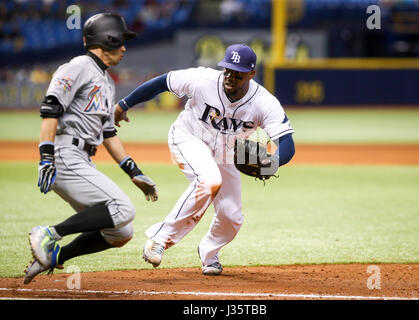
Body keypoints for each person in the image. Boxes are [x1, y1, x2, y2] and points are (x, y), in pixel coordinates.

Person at [114, 44, 295, 275]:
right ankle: (159, 239)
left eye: (237, 73)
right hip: (188, 137)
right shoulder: (203, 79)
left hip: (226, 152)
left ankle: (209, 253)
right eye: (227, 70)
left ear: (251, 74)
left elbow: (287, 144)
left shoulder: (264, 102)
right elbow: (162, 82)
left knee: (231, 216)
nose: (230, 76)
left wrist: (271, 163)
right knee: (209, 180)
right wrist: (123, 105)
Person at [24, 13, 158, 284]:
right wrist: (46, 157)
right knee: (123, 209)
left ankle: (55, 257)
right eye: (120, 41)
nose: (124, 47)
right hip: (64, 153)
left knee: (120, 232)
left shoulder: (107, 81)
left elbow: (108, 132)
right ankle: (49, 233)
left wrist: (134, 171)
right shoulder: (77, 67)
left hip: (82, 158)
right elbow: (51, 108)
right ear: (107, 39)